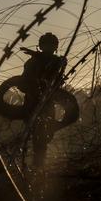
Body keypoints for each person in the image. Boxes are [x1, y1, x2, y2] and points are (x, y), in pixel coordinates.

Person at [19, 32, 67, 169]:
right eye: (46, 45)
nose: (49, 48)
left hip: (47, 104)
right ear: (41, 46)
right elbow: (22, 85)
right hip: (33, 104)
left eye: (51, 45)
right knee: (36, 137)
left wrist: (62, 67)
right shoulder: (32, 62)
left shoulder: (57, 62)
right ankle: (35, 166)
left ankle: (38, 167)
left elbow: (58, 83)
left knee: (44, 137)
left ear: (55, 47)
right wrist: (36, 90)